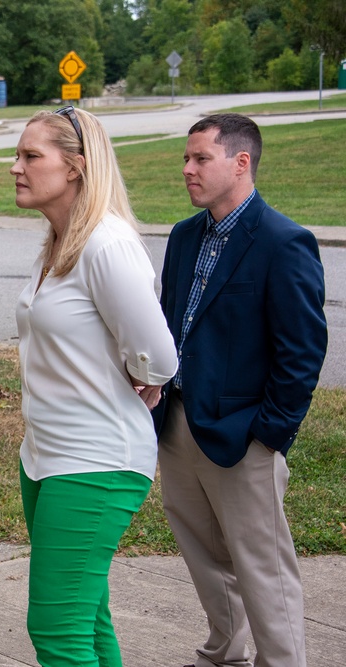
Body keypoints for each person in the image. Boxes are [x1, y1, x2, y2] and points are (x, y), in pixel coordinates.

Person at [154, 113, 327, 667]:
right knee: (203, 555)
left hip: (243, 437)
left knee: (263, 567)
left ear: (241, 162)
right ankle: (224, 653)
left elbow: (302, 352)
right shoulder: (184, 237)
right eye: (186, 158)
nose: (188, 169)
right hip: (179, 424)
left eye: (201, 158)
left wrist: (269, 435)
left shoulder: (283, 242)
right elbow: (168, 323)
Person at [10, 106, 177, 666]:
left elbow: (159, 356)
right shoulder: (59, 241)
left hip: (96, 461)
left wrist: (144, 374)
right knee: (87, 616)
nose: (16, 167)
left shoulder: (107, 243)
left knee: (56, 629)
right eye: (19, 154)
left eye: (31, 156)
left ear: (76, 166)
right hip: (45, 458)